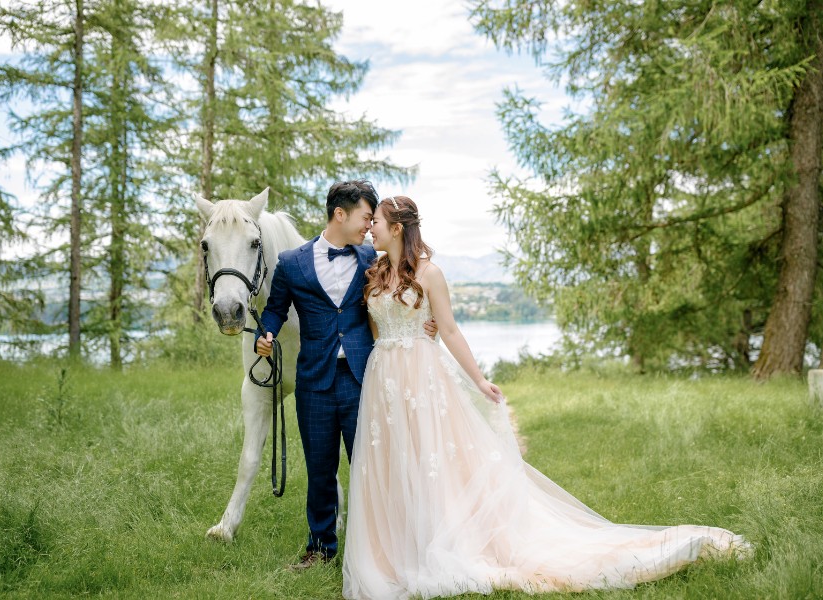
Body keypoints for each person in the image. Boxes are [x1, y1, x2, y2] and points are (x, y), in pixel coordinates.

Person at [342, 196, 750, 600]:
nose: (370, 227)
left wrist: (481, 381)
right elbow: (377, 330)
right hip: (385, 381)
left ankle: (442, 544)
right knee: (395, 461)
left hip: (424, 377)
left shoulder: (431, 274)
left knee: (432, 463)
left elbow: (449, 331)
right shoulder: (373, 272)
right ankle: (398, 548)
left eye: (376, 220)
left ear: (397, 228)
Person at [254, 180, 436, 570]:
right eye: (365, 217)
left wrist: (428, 322)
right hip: (314, 384)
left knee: (371, 467)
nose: (369, 226)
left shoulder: (373, 258)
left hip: (362, 377)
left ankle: (383, 548)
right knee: (320, 469)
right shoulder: (291, 262)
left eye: (373, 219)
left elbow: (410, 283)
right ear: (340, 213)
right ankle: (320, 549)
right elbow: (274, 309)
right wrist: (264, 333)